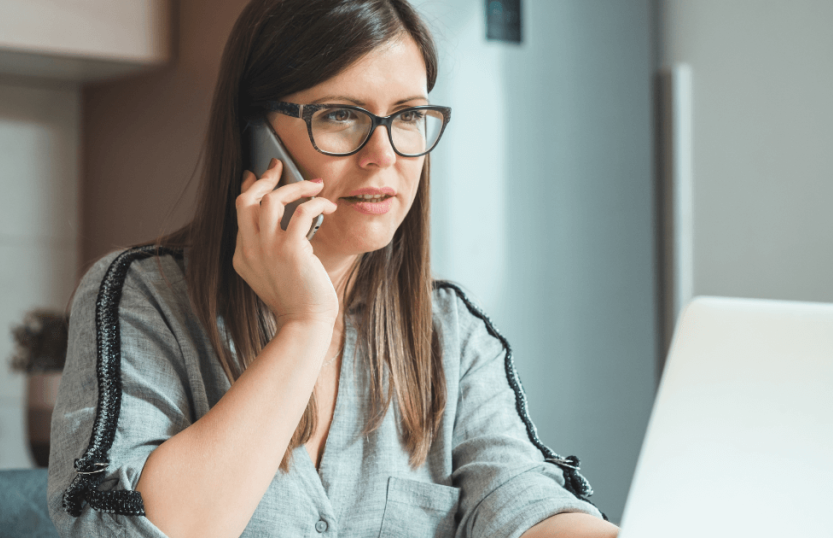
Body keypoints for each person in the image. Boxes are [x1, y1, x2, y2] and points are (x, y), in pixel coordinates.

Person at [46, 1, 620, 537]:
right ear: (255, 133)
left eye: (409, 116)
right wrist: (305, 325)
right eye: (342, 115)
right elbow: (123, 529)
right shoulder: (141, 296)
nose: (386, 155)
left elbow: (522, 496)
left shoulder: (452, 330)